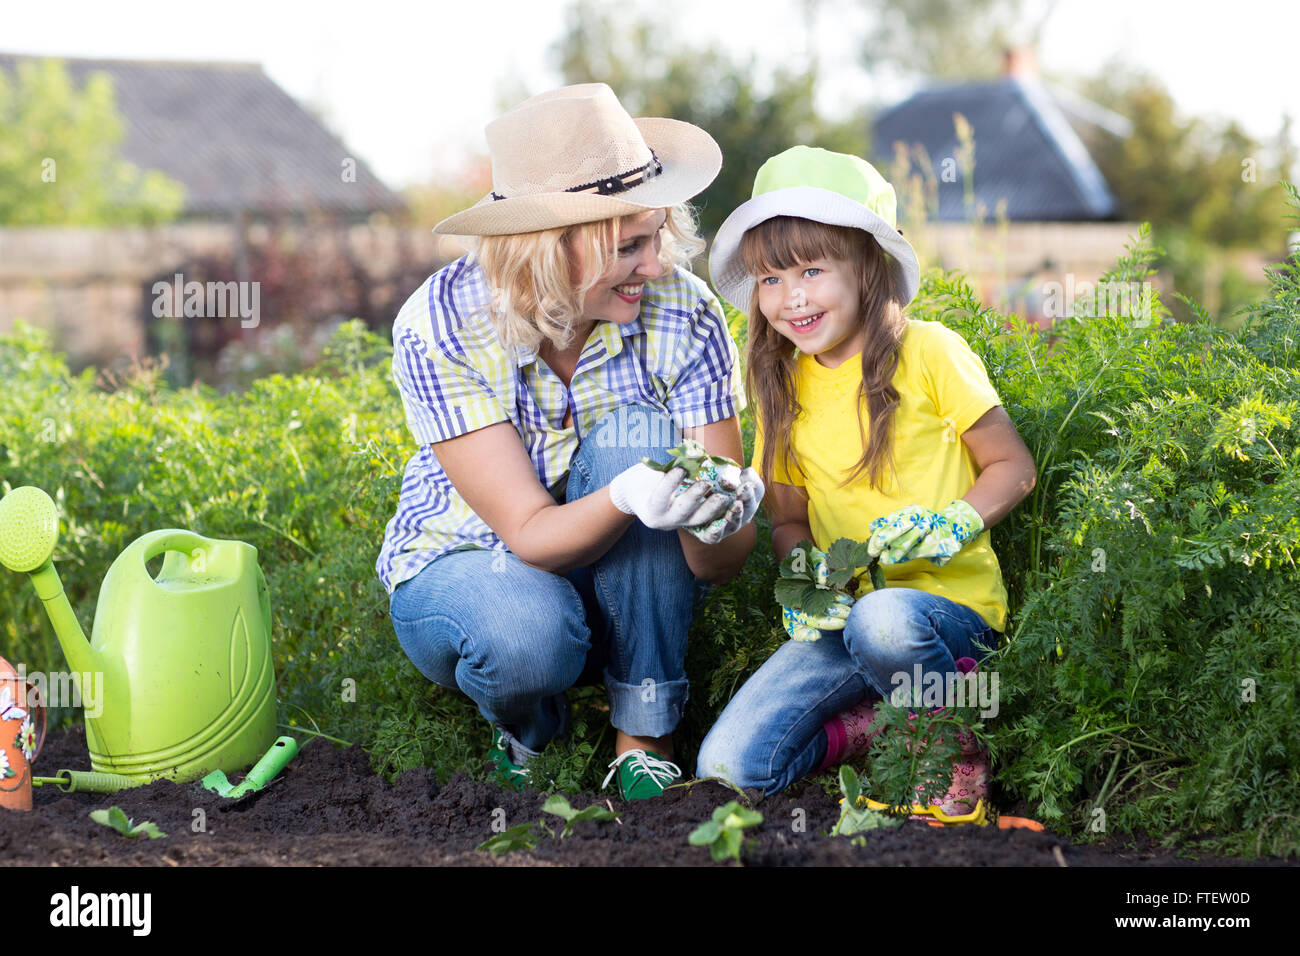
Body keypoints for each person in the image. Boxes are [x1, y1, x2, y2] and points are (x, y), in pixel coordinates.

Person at [376, 84, 763, 800]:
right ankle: (528, 728)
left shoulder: (685, 314)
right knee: (525, 637)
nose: (656, 266)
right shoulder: (441, 325)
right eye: (630, 247)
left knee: (640, 439)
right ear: (547, 253)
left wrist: (723, 512)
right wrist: (626, 495)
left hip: (617, 581)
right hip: (468, 566)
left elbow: (720, 566)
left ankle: (644, 739)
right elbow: (524, 533)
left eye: (658, 236)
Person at [695, 146, 1036, 818]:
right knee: (728, 768)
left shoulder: (930, 351)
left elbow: (1013, 468)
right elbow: (789, 519)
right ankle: (877, 725)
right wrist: (802, 578)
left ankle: (951, 754)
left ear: (868, 267)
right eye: (769, 278)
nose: (791, 297)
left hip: (944, 620)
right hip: (844, 618)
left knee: (886, 622)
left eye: (813, 269)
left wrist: (953, 524)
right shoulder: (783, 387)